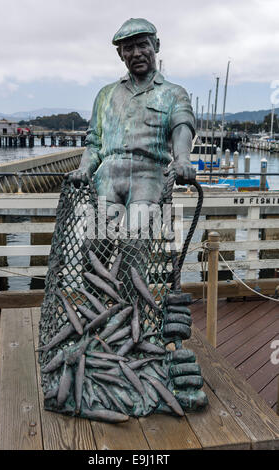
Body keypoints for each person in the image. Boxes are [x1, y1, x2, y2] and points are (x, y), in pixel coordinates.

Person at [68, 18, 207, 411]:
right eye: (127, 48)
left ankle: (131, 333)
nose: (135, 53)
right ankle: (96, 330)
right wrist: (84, 167)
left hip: (149, 175)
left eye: (142, 45)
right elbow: (94, 142)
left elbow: (183, 125)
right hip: (108, 178)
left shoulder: (173, 93)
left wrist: (181, 159)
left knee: (134, 249)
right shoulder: (106, 94)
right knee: (94, 249)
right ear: (120, 54)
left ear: (156, 45)